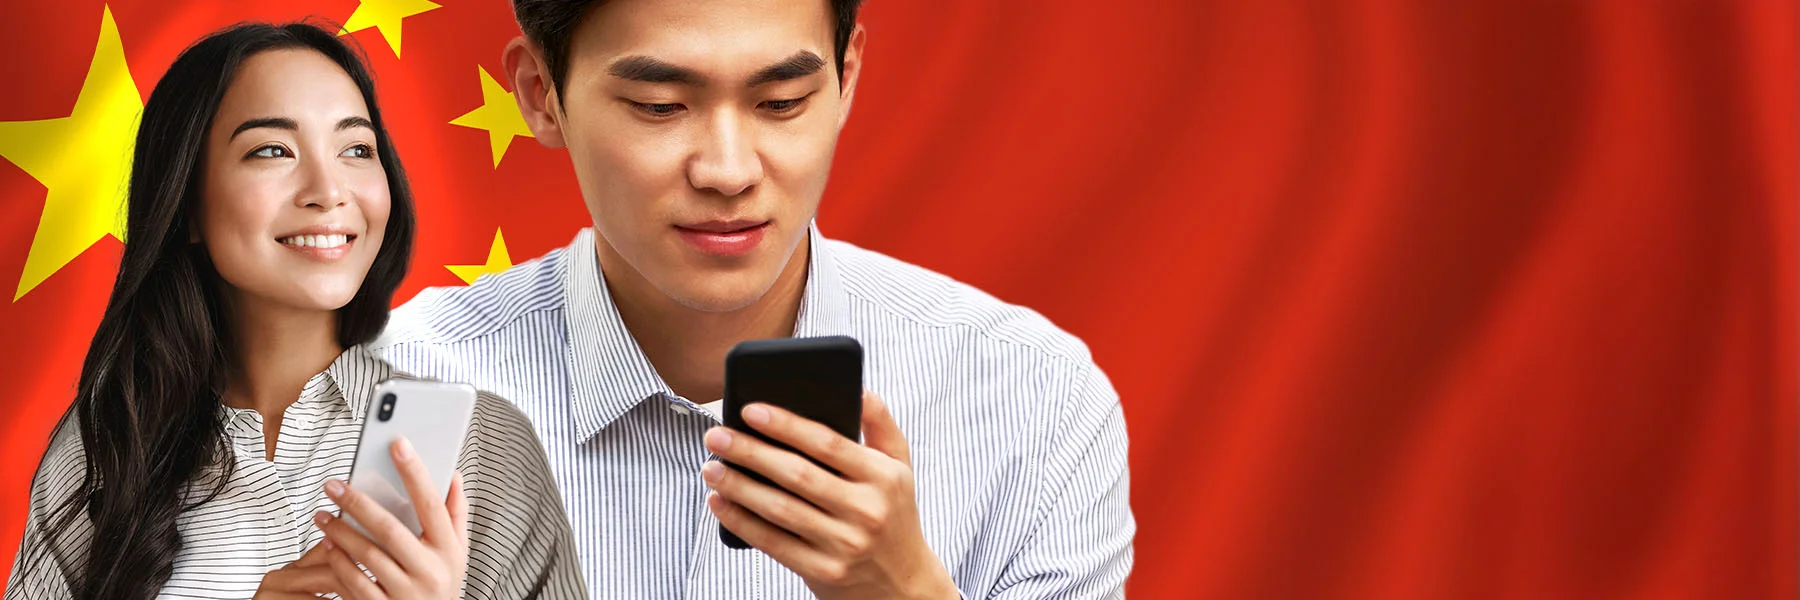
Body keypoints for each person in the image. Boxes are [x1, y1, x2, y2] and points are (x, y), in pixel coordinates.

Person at [374, 0, 1136, 597]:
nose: (729, 171)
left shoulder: (1036, 404)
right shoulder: (383, 391)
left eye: (782, 101)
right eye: (660, 104)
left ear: (846, 79)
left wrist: (904, 593)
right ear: (540, 94)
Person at [4, 22, 582, 599]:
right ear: (187, 205)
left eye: (357, 149)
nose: (328, 190)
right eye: (272, 150)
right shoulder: (108, 442)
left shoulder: (483, 447)